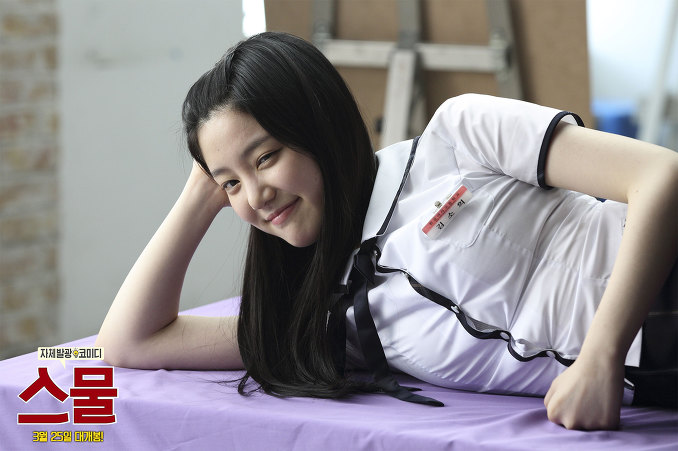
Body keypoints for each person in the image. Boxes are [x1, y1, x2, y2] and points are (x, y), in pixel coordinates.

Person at [95, 32, 678, 431]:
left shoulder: (460, 135)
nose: (255, 196)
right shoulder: (330, 320)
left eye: (266, 158)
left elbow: (660, 176)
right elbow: (130, 342)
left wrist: (600, 357)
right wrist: (198, 196)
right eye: (230, 184)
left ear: (318, 126)